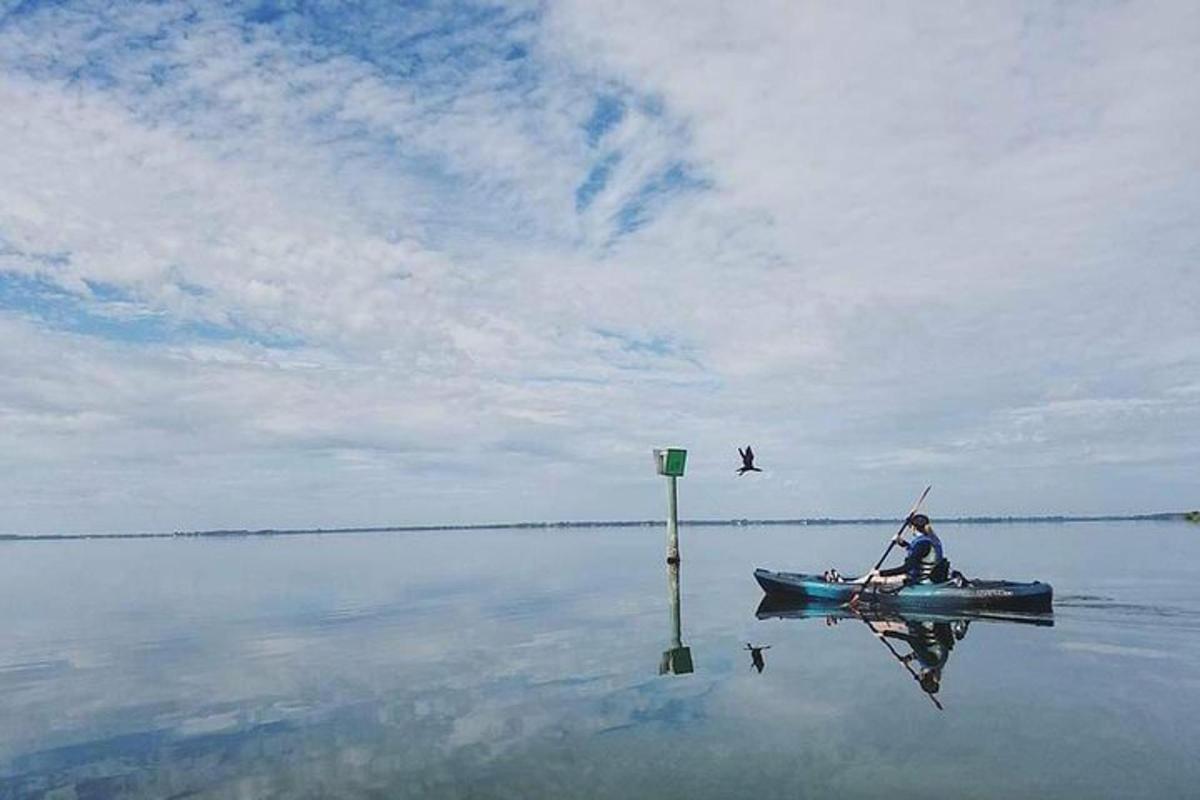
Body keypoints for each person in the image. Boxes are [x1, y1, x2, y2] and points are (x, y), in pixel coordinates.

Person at [857, 513, 949, 589]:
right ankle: (850, 582)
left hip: (921, 579)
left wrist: (880, 573)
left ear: (913, 527)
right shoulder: (933, 540)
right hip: (931, 577)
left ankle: (849, 584)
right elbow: (921, 554)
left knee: (873, 578)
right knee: (875, 577)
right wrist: (902, 543)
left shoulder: (922, 544)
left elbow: (906, 568)